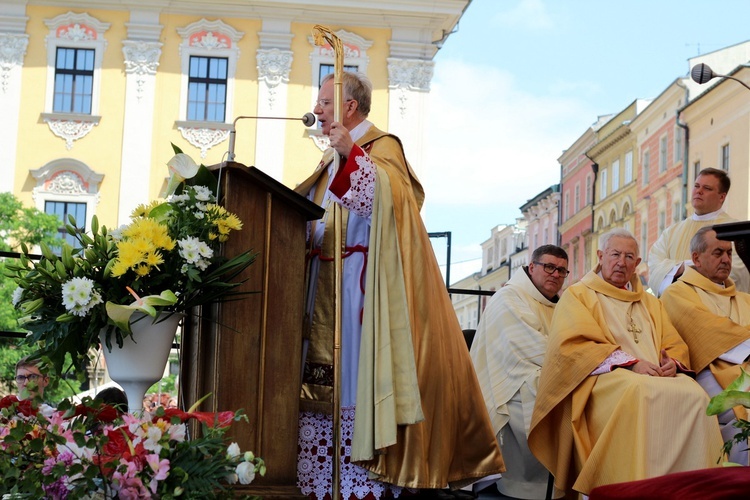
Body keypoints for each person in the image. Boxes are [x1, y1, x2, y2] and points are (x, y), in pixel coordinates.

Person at [294, 71, 505, 499]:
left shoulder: (380, 147)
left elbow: (389, 202)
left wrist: (352, 154)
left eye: (325, 103)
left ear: (350, 107)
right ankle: (324, 481)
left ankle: (362, 479)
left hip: (360, 289)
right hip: (324, 283)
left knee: (355, 378)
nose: (317, 110)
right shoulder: (332, 153)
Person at [528, 228, 724, 496]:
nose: (621, 262)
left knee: (697, 395)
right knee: (639, 391)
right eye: (615, 254)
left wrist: (673, 363)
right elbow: (574, 347)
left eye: (629, 256)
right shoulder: (579, 295)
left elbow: (673, 342)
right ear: (600, 256)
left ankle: (687, 490)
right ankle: (633, 488)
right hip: (601, 379)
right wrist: (631, 363)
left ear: (637, 264)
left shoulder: (650, 302)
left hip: (653, 374)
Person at [470, 245, 568, 500]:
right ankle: (528, 485)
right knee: (537, 394)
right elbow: (532, 349)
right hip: (501, 383)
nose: (555, 274)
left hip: (548, 370)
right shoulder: (509, 298)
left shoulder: (562, 305)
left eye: (561, 270)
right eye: (549, 267)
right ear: (531, 267)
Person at [661, 227, 750, 465]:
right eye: (718, 253)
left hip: (745, 369)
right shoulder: (677, 293)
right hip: (709, 371)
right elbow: (709, 333)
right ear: (696, 258)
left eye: (729, 254)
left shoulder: (743, 298)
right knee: (738, 411)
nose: (726, 259)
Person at [648, 167, 749, 296]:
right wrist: (686, 266)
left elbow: (736, 272)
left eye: (707, 188)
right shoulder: (671, 232)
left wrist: (680, 269)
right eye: (696, 186)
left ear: (722, 197)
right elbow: (655, 266)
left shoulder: (735, 231)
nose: (699, 191)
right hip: (671, 308)